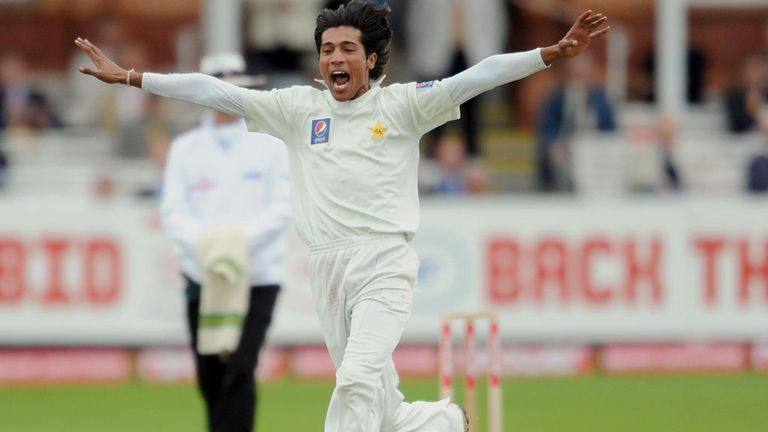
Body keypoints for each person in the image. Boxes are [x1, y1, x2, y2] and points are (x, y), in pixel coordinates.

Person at [74, 2, 609, 431]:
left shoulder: (402, 105)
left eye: (348, 48)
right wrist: (134, 78)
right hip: (327, 270)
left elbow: (477, 76)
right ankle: (445, 420)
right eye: (327, 48)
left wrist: (548, 54)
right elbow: (214, 90)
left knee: (354, 382)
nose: (335, 57)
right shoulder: (295, 110)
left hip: (384, 263)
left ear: (371, 60)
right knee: (383, 408)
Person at [160, 52, 292, 432]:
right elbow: (174, 212)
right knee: (209, 373)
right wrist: (210, 249)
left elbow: (282, 208)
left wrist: (234, 245)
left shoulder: (270, 144)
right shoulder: (185, 148)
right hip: (202, 274)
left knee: (239, 368)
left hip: (258, 275)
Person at [536, 54, 616, 192]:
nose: (578, 80)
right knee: (559, 162)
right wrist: (553, 144)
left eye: (582, 74)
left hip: (594, 149)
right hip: (566, 147)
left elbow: (610, 128)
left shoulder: (600, 99)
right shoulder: (556, 98)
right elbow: (548, 128)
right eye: (575, 74)